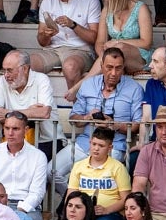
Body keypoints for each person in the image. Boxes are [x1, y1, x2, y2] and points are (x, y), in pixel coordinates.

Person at [55, 48, 142, 194]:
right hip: (85, 143)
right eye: (109, 68)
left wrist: (112, 125)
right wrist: (86, 117)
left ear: (123, 67)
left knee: (102, 179)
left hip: (113, 146)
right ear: (101, 66)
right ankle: (78, 201)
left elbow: (136, 126)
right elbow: (73, 117)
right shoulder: (88, 85)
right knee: (51, 171)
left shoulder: (134, 89)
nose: (113, 73)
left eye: (118, 68)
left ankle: (85, 205)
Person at [31, 0, 101, 89]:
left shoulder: (90, 0)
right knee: (27, 63)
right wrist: (46, 35)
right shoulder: (48, 1)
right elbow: (42, 42)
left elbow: (94, 38)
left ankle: (76, 106)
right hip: (53, 50)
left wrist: (73, 25)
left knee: (70, 67)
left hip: (81, 50)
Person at [0, 111, 50, 220]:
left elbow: (37, 192)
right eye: (7, 128)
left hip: (27, 207)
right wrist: (0, 208)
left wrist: (19, 211)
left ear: (26, 130)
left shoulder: (38, 156)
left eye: (15, 129)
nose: (10, 133)